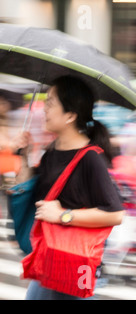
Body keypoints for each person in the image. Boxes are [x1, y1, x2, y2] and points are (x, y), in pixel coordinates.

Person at [11, 76, 125, 300]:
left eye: (51, 103)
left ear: (70, 116)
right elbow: (31, 192)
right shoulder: (52, 151)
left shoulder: (91, 158)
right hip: (49, 257)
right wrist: (23, 157)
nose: (44, 109)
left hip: (73, 262)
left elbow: (115, 214)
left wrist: (63, 216)